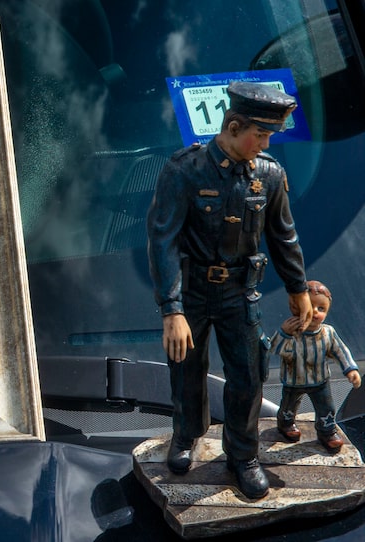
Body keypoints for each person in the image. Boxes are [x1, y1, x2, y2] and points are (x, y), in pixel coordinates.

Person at [146, 81, 312, 500]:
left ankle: (243, 456)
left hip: (241, 292)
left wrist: (298, 288)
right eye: (261, 134)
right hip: (194, 292)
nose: (266, 143)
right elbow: (162, 239)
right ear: (234, 126)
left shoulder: (270, 174)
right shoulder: (185, 170)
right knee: (186, 367)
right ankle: (185, 436)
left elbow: (283, 235)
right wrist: (172, 308)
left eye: (269, 136)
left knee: (248, 376)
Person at [270, 280, 362, 453]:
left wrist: (350, 369)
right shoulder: (291, 332)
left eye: (321, 309)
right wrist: (283, 333)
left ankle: (327, 431)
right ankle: (286, 424)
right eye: (309, 306)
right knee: (289, 405)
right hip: (293, 381)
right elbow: (274, 349)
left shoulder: (328, 332)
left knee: (326, 407)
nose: (314, 312)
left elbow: (340, 351)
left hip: (320, 380)